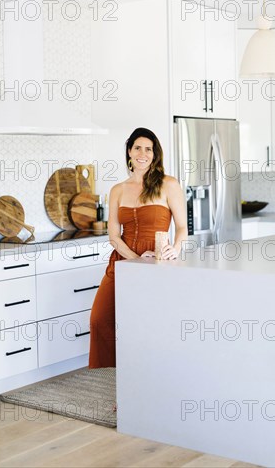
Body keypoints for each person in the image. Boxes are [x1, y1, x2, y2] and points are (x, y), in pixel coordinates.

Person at [89, 127, 188, 368]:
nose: (143, 153)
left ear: (155, 154)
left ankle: (142, 390)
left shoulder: (168, 184)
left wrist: (175, 248)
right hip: (122, 262)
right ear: (129, 152)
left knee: (145, 328)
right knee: (100, 318)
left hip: (158, 265)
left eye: (149, 149)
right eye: (137, 148)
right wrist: (135, 260)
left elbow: (183, 228)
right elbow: (114, 236)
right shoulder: (118, 190)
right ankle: (124, 380)